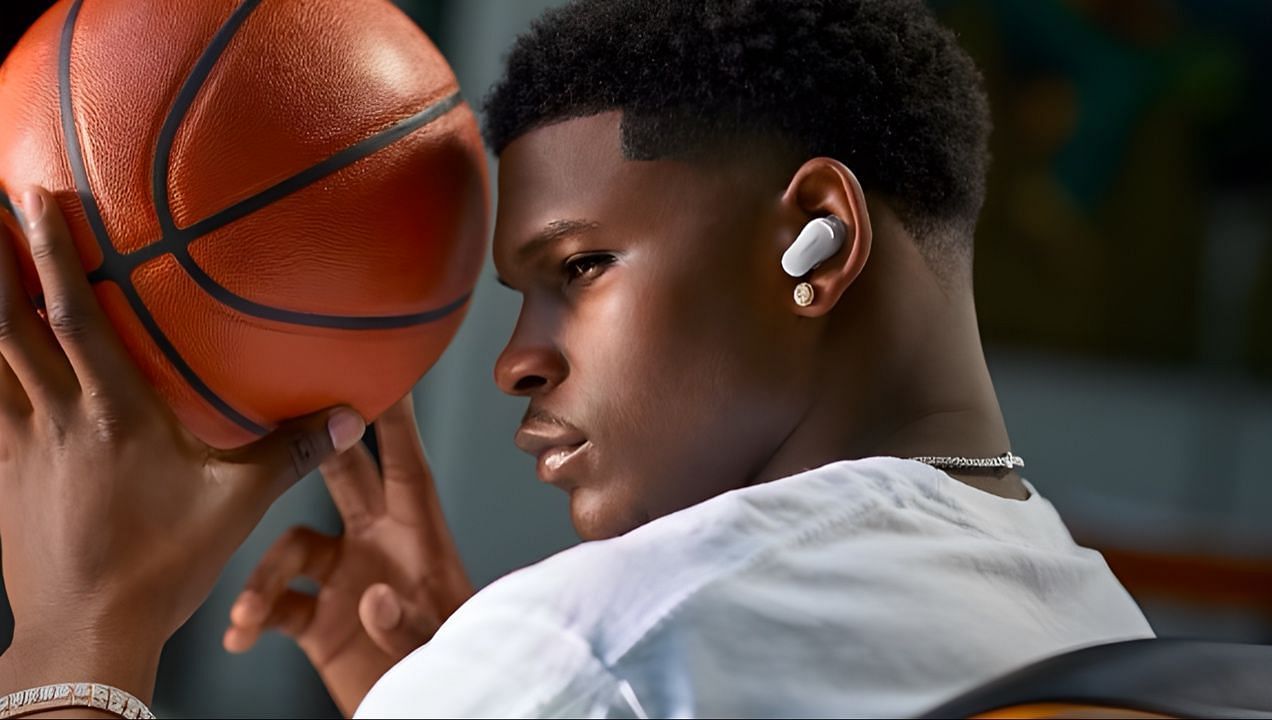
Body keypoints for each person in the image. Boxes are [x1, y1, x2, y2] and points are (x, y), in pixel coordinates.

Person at [0, 0, 1155, 717]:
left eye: (580, 267)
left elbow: (624, 669)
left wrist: (81, 631)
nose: (513, 363)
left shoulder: (607, 650)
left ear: (820, 238)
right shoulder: (1095, 625)